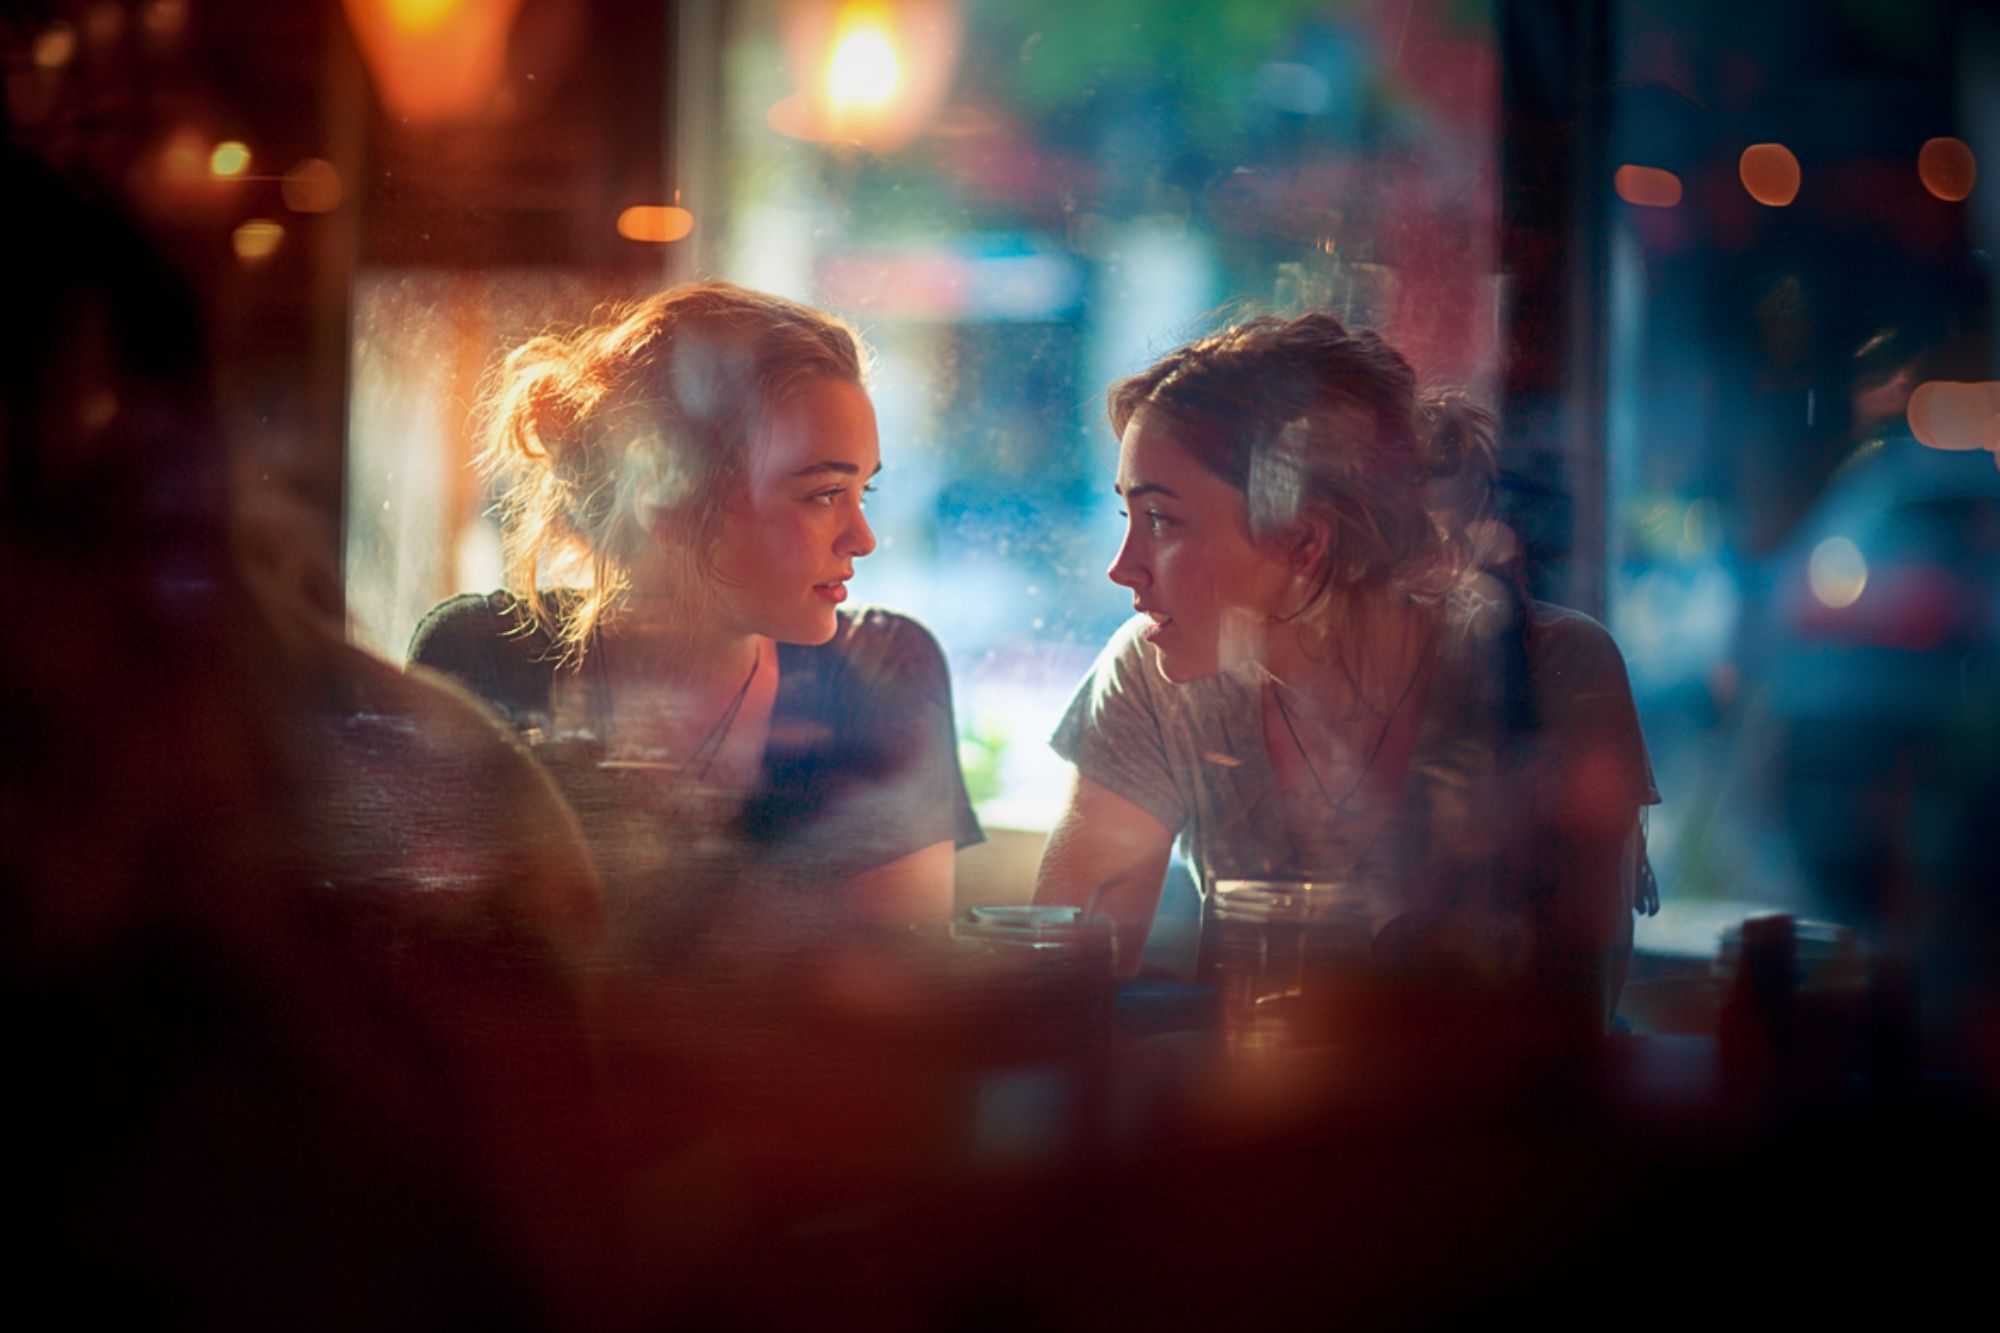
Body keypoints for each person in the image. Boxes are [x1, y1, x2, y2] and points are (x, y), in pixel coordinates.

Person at [1032, 312, 1658, 1031]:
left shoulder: (1551, 670)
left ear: (1303, 540)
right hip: (1253, 1128)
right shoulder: (1154, 669)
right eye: (1126, 515)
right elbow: (1062, 976)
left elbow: (1566, 1016)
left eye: (1162, 520)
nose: (1121, 567)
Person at [408, 283, 981, 951]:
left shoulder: (883, 674)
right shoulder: (480, 660)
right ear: (668, 500)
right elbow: (431, 966)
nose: (863, 535)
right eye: (825, 494)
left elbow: (895, 993)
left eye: (863, 490)